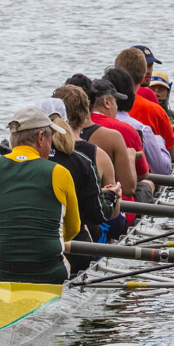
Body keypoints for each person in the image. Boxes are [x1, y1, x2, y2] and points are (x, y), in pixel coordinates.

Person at [0, 107, 81, 284]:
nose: (50, 145)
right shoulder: (60, 173)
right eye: (51, 138)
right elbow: (74, 229)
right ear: (41, 138)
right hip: (49, 273)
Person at [49, 86, 127, 241]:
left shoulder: (38, 150)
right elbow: (111, 214)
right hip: (83, 236)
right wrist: (114, 195)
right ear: (86, 114)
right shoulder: (97, 156)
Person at [103, 66, 171, 177]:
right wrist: (158, 141)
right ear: (131, 95)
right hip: (129, 188)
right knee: (150, 184)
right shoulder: (142, 130)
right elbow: (163, 170)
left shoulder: (87, 123)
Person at [113, 48, 174, 156]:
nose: (149, 71)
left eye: (151, 67)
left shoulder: (100, 103)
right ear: (142, 78)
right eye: (146, 66)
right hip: (144, 170)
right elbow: (173, 154)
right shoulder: (155, 109)